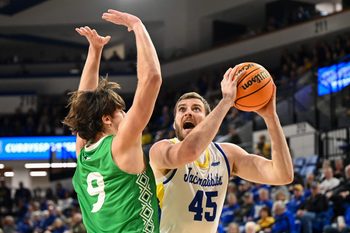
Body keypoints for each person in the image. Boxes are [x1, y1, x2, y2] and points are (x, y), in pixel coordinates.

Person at [149, 66, 293, 232]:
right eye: (182, 109)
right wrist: (226, 101)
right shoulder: (160, 149)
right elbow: (190, 152)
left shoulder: (227, 155)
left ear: (208, 119)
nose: (188, 113)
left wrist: (271, 117)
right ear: (175, 123)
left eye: (196, 109)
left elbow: (283, 175)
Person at [63, 9, 162, 232]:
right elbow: (152, 80)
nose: (126, 116)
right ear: (107, 119)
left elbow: (83, 103)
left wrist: (95, 50)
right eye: (122, 112)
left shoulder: (83, 154)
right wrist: (137, 26)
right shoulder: (121, 145)